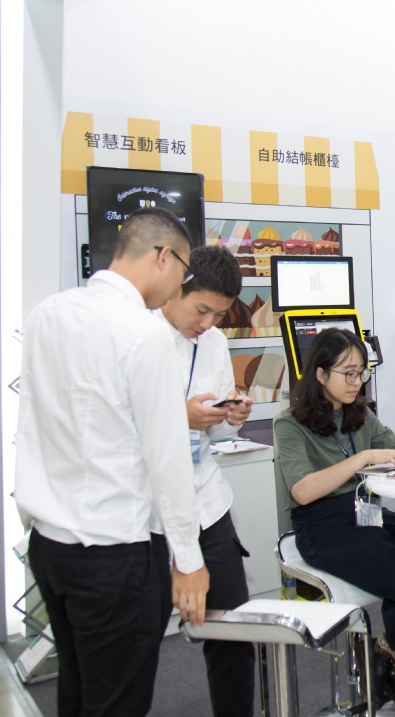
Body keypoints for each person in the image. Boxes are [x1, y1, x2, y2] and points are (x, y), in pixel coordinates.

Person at [15, 208, 209, 717]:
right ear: (163, 256)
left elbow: (29, 422)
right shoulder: (143, 334)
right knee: (117, 700)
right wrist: (188, 560)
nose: (180, 286)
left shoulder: (47, 314)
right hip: (114, 553)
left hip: (49, 547)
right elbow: (167, 457)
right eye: (183, 271)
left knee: (77, 689)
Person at [275, 328, 395, 717]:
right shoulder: (290, 424)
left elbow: (392, 446)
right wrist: (361, 459)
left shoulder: (359, 412)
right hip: (322, 526)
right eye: (348, 373)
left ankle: (386, 651)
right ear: (320, 373)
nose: (357, 382)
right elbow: (303, 491)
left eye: (361, 372)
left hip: (365, 513)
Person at [156, 246, 256, 716]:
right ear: (177, 287)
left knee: (232, 630)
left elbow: (214, 434)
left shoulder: (213, 342)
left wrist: (229, 416)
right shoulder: (139, 336)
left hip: (207, 503)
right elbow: (116, 428)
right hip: (150, 511)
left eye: (218, 315)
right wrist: (181, 417)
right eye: (201, 310)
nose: (207, 323)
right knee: (136, 639)